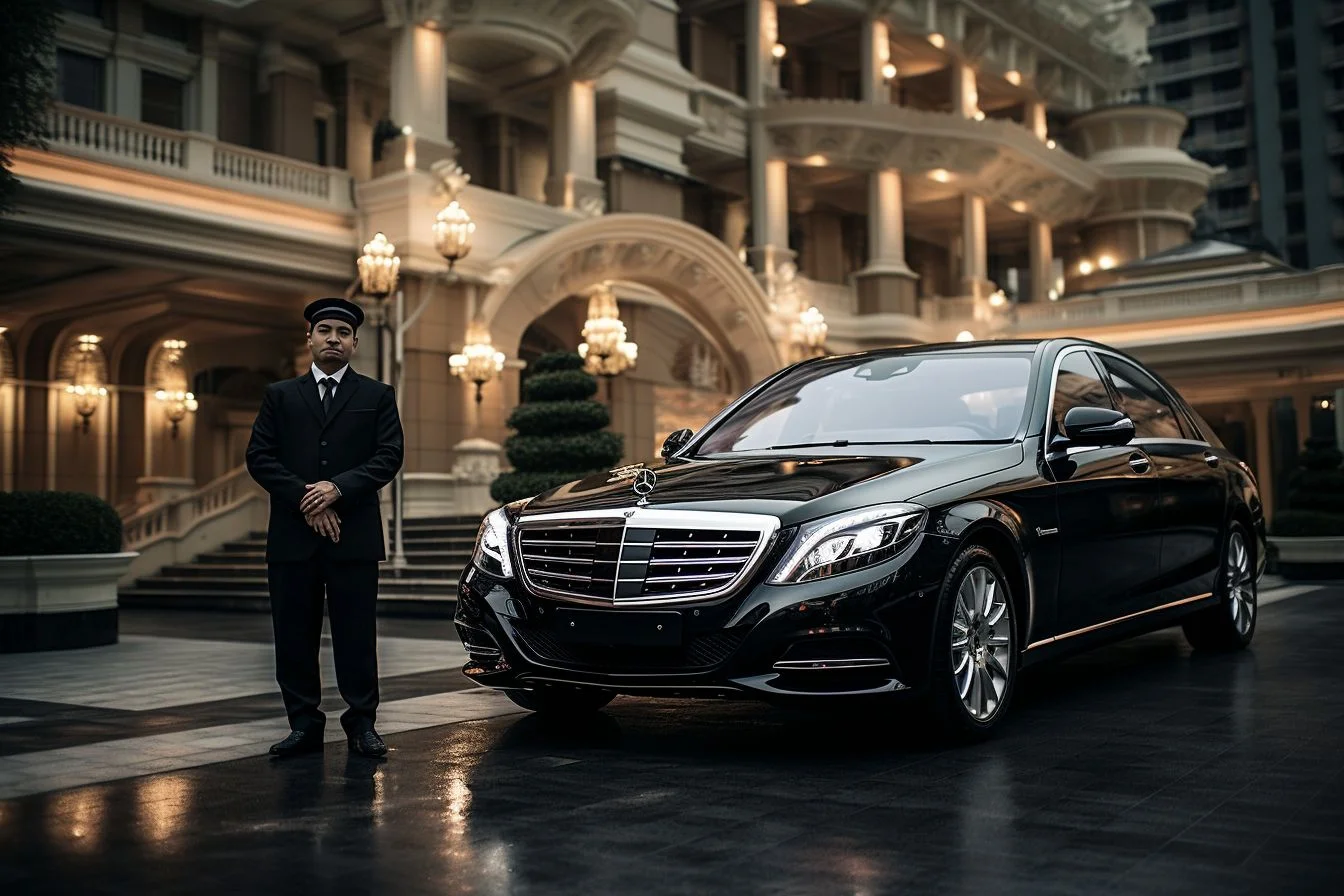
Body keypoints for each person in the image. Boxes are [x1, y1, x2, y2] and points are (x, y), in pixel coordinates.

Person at [245, 297, 404, 759]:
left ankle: (362, 724)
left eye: (342, 332)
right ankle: (303, 725)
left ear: (354, 342)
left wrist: (336, 489)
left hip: (353, 536)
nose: (333, 338)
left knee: (357, 635)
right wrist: (307, 499)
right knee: (294, 636)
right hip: (293, 538)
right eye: (324, 330)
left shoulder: (377, 395)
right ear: (310, 338)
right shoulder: (280, 395)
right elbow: (260, 457)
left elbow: (388, 456)